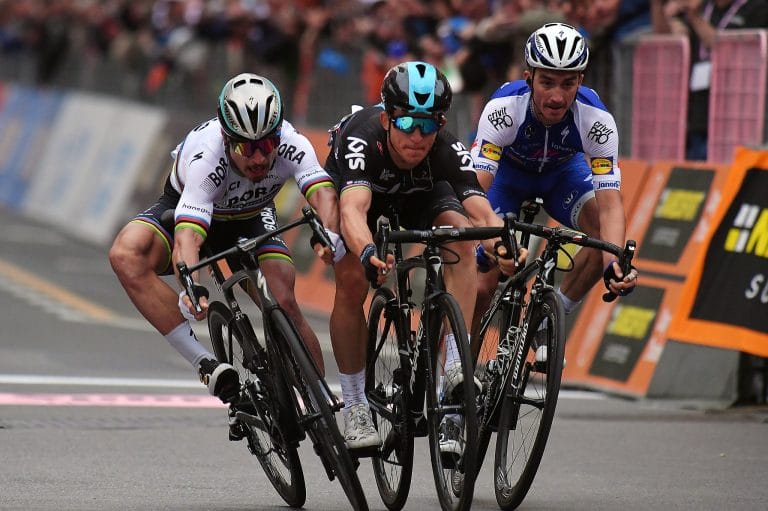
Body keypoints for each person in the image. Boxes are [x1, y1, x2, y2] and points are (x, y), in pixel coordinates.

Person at [109, 73, 342, 405]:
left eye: (267, 145)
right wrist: (191, 287)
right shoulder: (207, 159)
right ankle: (204, 363)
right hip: (188, 210)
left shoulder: (294, 143)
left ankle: (321, 399)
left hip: (251, 216)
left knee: (284, 299)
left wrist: (330, 234)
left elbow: (322, 196)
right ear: (226, 137)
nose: (260, 158)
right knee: (126, 254)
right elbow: (187, 237)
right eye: (247, 147)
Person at [324, 61, 517, 454]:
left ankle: (453, 368)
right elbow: (352, 212)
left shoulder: (444, 147)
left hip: (420, 193)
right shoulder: (362, 138)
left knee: (461, 239)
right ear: (387, 118)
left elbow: (480, 207)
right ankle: (356, 406)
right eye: (408, 123)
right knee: (350, 281)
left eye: (429, 125)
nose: (418, 136)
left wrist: (502, 245)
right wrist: (365, 251)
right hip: (363, 196)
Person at [470, 22, 639, 357]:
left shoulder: (596, 120)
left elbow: (610, 206)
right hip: (508, 176)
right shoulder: (503, 109)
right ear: (529, 76)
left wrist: (614, 262)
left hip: (562, 175)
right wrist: (481, 241)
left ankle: (550, 316)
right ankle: (457, 384)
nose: (558, 96)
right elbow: (473, 192)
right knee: (483, 283)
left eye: (568, 83)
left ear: (581, 80)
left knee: (604, 235)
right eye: (547, 82)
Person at [650, 0, 768, 160]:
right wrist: (659, 8)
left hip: (735, 116)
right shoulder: (704, 8)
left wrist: (695, 17)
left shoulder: (757, 8)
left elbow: (725, 49)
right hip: (699, 114)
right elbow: (665, 37)